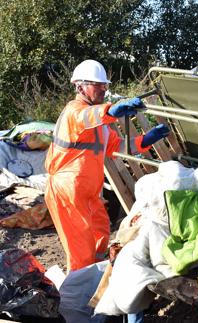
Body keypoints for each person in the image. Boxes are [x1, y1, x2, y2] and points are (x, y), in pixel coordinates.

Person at [44, 59, 171, 272]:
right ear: (80, 86)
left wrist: (145, 140)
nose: (103, 90)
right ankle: (80, 290)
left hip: (88, 192)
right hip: (67, 191)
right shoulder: (74, 111)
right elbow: (87, 116)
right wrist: (112, 111)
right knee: (80, 249)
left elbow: (118, 146)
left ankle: (97, 273)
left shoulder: (100, 125)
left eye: (105, 86)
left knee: (101, 233)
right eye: (98, 85)